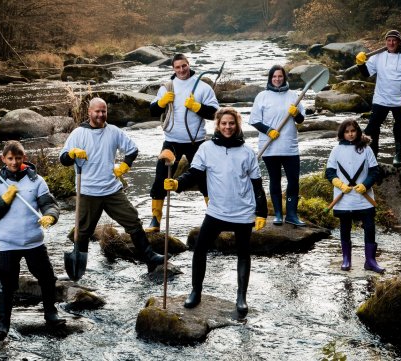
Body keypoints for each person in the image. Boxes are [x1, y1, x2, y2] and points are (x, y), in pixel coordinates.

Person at [164, 107, 268, 316]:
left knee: (243, 253)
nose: (227, 127)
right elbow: (193, 174)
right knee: (200, 248)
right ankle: (196, 291)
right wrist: (177, 184)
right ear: (218, 125)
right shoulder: (206, 149)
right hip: (217, 211)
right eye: (224, 123)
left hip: (242, 212)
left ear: (237, 125)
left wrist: (262, 213)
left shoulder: (247, 152)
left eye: (231, 123)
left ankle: (241, 297)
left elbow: (257, 185)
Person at [59, 97, 165, 273]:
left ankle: (150, 258)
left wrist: (125, 165)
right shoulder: (78, 134)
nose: (101, 114)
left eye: (104, 111)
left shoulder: (114, 131)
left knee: (133, 220)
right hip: (88, 191)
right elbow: (63, 159)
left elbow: (132, 150)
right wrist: (72, 154)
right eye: (97, 111)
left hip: (111, 190)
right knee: (83, 232)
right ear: (89, 112)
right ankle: (79, 268)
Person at [0, 140, 66, 342]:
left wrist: (50, 216)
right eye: (10, 158)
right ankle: (3, 324)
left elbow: (49, 204)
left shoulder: (36, 181)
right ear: (3, 159)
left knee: (47, 278)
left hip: (34, 242)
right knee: (6, 283)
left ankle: (50, 314)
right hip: (7, 244)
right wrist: (5, 198)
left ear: (24, 158)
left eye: (18, 158)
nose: (14, 162)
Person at [147, 53, 220, 232]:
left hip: (197, 141)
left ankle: (215, 216)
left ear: (189, 65)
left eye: (184, 66)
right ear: (173, 68)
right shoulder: (167, 87)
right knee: (160, 178)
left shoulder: (202, 87)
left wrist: (197, 107)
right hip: (172, 141)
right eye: (177, 67)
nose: (181, 70)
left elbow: (215, 114)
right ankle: (155, 220)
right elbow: (152, 110)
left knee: (206, 178)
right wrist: (162, 102)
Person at [249, 64, 306, 227]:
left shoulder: (294, 95)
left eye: (280, 76)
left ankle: (292, 214)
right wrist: (268, 131)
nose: (277, 79)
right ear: (270, 78)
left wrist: (296, 114)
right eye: (274, 77)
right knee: (274, 180)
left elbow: (301, 120)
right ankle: (278, 214)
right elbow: (254, 120)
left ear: (284, 78)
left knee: (293, 181)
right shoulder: (262, 96)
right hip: (270, 146)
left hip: (290, 146)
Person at [325, 119, 385, 274]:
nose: (350, 134)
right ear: (342, 133)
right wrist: (339, 184)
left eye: (353, 131)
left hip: (363, 197)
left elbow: (374, 171)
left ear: (358, 131)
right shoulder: (336, 150)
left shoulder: (366, 149)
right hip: (343, 197)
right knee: (345, 227)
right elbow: (329, 172)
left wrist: (366, 184)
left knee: (370, 227)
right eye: (346, 131)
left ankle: (370, 261)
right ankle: (346, 259)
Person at [356, 29, 401, 167]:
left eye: (394, 40)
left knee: (400, 128)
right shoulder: (378, 55)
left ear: (399, 42)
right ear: (386, 41)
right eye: (389, 40)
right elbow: (367, 73)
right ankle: (373, 155)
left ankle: (398, 155)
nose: (391, 43)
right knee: (372, 128)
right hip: (381, 98)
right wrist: (360, 64)